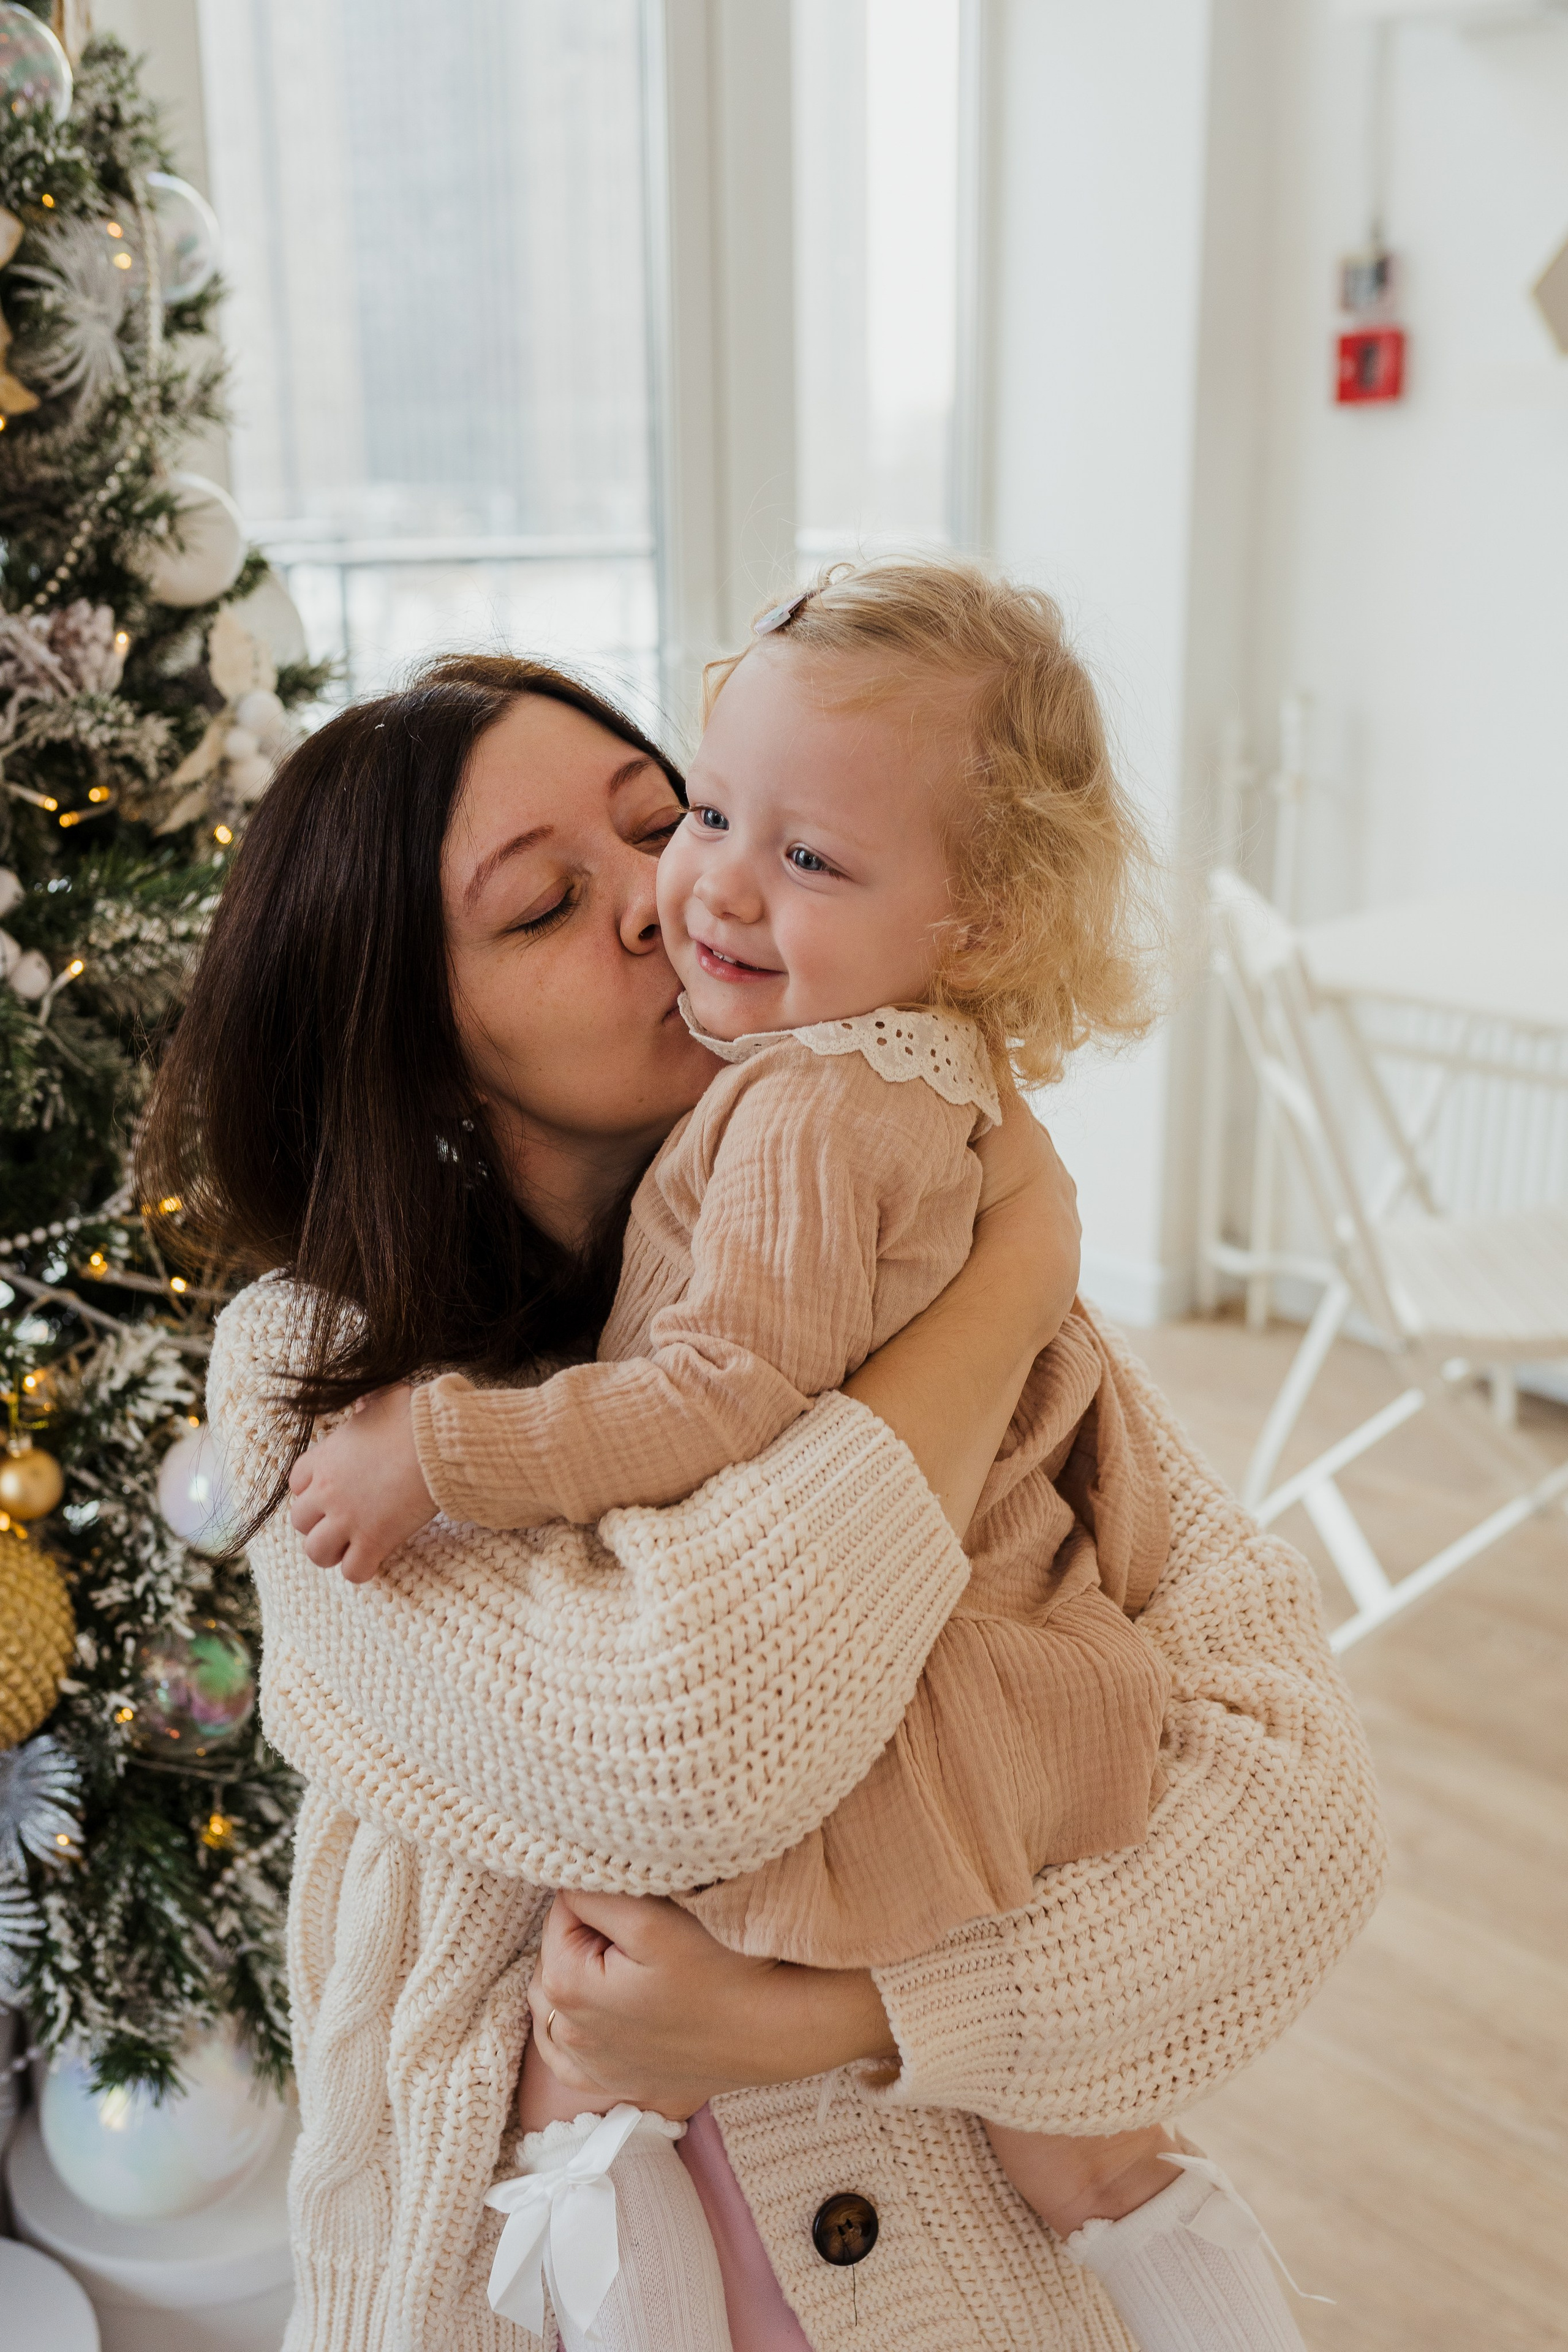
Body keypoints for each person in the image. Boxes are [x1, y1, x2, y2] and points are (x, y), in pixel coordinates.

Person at [145, 649, 1385, 2352]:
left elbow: (1301, 1827)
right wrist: (1009, 1289)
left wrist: (842, 2020)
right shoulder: (317, 1386)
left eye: (667, 821)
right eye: (541, 907)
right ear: (416, 1043)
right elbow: (705, 1741)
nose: (667, 897)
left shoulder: (908, 1220)